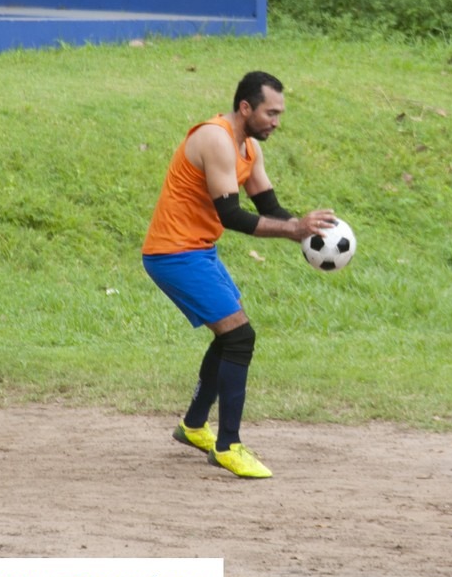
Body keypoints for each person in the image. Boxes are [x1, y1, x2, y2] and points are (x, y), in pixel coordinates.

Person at [142, 70, 335, 479]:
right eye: (271, 112)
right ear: (246, 107)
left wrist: (308, 233)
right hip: (174, 253)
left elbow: (269, 208)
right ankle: (228, 445)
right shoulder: (215, 138)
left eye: (280, 113)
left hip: (198, 250)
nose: (276, 122)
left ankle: (193, 426)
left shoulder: (250, 147)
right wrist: (292, 230)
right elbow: (230, 215)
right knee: (239, 336)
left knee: (230, 335)